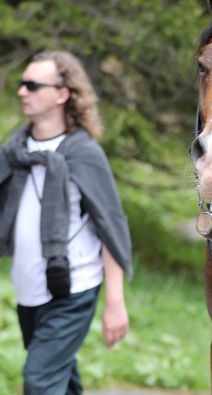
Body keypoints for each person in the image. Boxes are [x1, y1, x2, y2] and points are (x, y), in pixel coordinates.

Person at [0, 51, 132, 394]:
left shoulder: (84, 153)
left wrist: (115, 302)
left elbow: (110, 227)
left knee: (40, 381)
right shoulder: (16, 150)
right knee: (59, 376)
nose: (22, 91)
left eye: (33, 85)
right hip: (29, 288)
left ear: (62, 94)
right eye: (22, 84)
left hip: (73, 288)